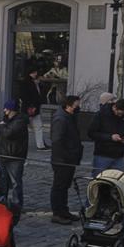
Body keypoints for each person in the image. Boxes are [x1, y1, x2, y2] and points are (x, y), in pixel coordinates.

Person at [49, 93, 83, 222]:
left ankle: (64, 210)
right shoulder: (61, 118)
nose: (78, 107)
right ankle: (57, 213)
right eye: (76, 105)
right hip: (62, 160)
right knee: (59, 186)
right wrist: (66, 157)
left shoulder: (70, 116)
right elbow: (57, 141)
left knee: (64, 186)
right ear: (69, 106)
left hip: (69, 158)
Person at [0, 99, 30, 211]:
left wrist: (2, 126)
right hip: (3, 154)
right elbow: (0, 138)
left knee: (15, 182)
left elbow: (9, 133)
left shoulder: (20, 120)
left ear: (12, 110)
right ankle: (2, 200)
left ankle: (17, 204)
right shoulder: (6, 120)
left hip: (14, 156)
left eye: (7, 109)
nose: (5, 111)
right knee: (2, 180)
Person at [88, 97, 124, 172]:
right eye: (119, 113)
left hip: (119, 155)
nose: (120, 115)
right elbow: (91, 133)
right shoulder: (101, 114)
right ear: (114, 107)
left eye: (122, 114)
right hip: (102, 154)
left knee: (117, 179)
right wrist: (110, 137)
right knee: (99, 178)